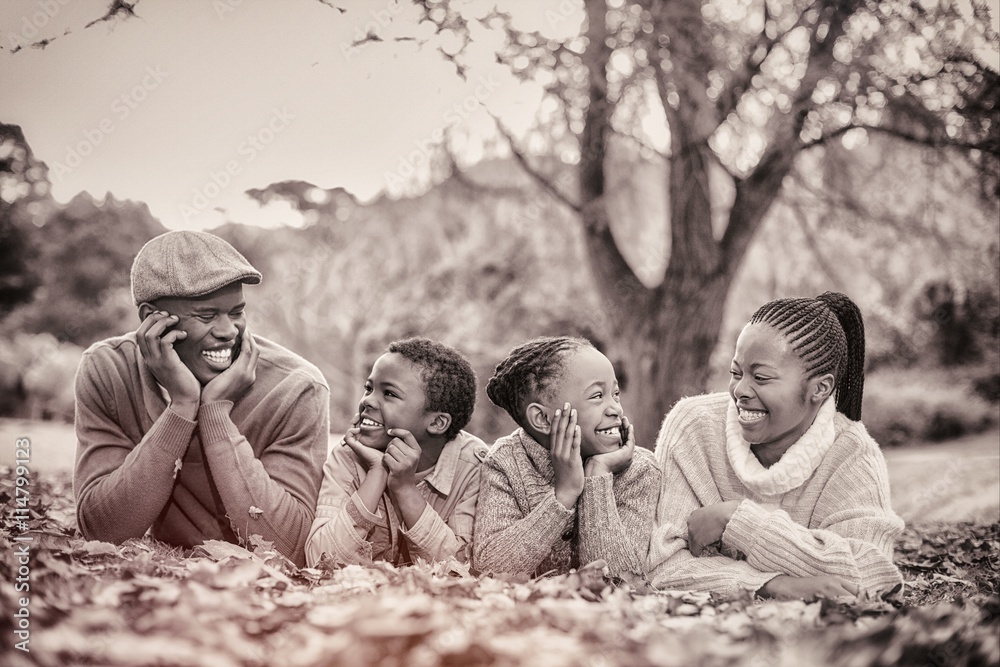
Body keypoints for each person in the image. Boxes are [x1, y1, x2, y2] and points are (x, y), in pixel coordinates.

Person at [74, 231, 330, 567]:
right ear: (151, 318)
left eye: (236, 312)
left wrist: (216, 414)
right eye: (206, 316)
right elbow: (101, 530)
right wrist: (181, 405)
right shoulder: (109, 370)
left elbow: (289, 547)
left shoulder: (296, 388)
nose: (228, 331)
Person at [647, 292, 905, 600]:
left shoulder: (851, 455)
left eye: (761, 377)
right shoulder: (693, 427)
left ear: (820, 388)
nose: (740, 390)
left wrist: (737, 520)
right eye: (735, 373)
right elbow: (664, 566)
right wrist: (774, 584)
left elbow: (872, 576)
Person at [473, 336, 660, 580]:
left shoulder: (639, 470)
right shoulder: (506, 463)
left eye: (615, 394)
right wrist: (563, 496)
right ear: (542, 419)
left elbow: (620, 581)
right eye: (597, 396)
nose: (616, 408)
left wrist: (597, 477)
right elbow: (490, 569)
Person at [305, 337, 486, 567]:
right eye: (369, 388)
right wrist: (377, 473)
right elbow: (318, 560)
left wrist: (405, 489)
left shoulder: (473, 468)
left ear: (438, 422)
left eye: (389, 393)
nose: (368, 401)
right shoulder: (350, 454)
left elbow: (462, 569)